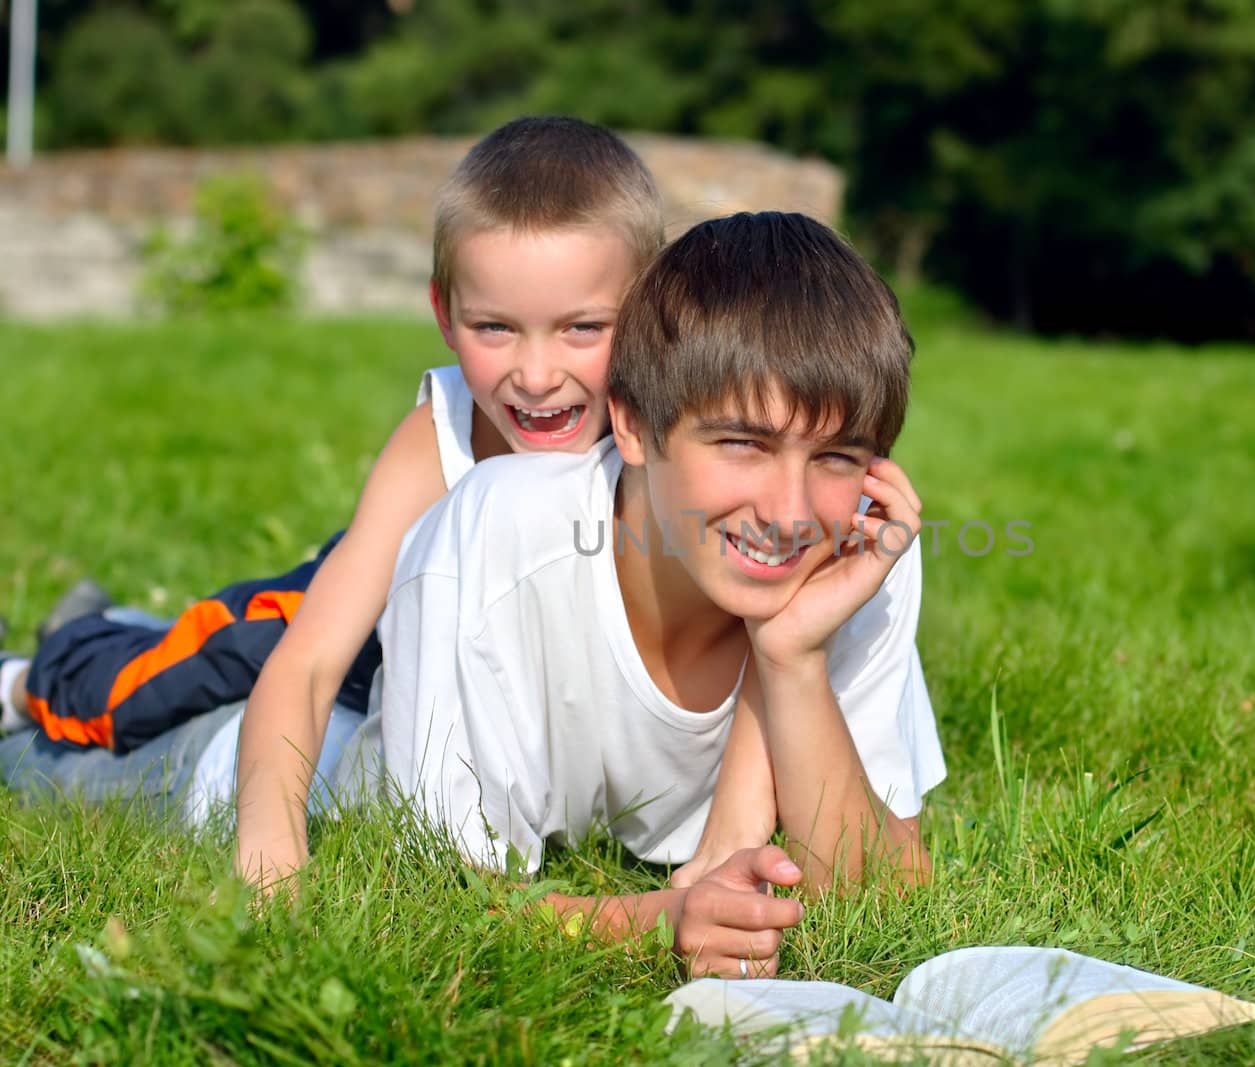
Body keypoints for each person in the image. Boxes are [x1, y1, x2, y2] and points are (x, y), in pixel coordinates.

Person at [0, 117, 755, 888]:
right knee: (163, 677)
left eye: (582, 329)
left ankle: (112, 626)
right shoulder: (444, 432)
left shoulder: (669, 437)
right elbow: (307, 667)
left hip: (451, 667)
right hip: (354, 633)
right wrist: (272, 857)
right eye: (494, 327)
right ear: (443, 314)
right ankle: (32, 674)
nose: (535, 374)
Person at [376, 211, 946, 977]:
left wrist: (792, 657)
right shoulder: (497, 537)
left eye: (838, 456)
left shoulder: (854, 551)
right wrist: (658, 919)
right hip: (332, 716)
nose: (790, 512)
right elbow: (441, 898)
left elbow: (884, 896)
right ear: (636, 424)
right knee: (179, 696)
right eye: (743, 443)